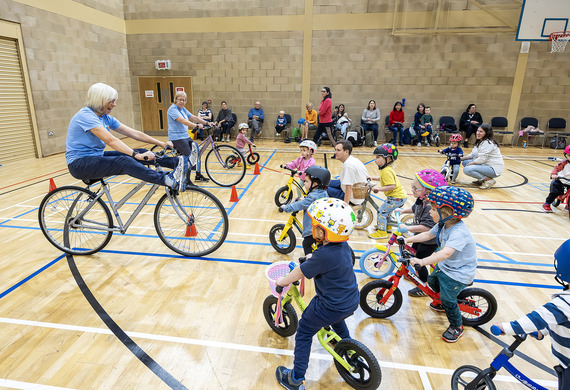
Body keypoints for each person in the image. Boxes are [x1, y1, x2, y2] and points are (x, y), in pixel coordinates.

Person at [275, 197, 359, 390]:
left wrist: (282, 281)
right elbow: (328, 260)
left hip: (330, 305)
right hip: (351, 299)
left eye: (317, 225)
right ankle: (348, 348)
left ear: (326, 231)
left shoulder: (323, 255)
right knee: (338, 319)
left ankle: (296, 379)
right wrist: (314, 256)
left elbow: (299, 272)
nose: (314, 228)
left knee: (304, 331)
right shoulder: (343, 247)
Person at [66, 83, 189, 192]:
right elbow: (111, 140)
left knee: (141, 151)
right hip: (79, 164)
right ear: (100, 100)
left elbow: (133, 133)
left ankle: (181, 164)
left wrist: (160, 143)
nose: (114, 105)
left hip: (95, 157)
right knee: (126, 161)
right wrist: (134, 155)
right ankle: (167, 179)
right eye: (112, 101)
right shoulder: (85, 116)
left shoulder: (105, 117)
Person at [492, 239, 570, 390]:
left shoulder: (564, 303)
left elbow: (537, 318)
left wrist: (507, 327)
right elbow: (561, 320)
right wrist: (543, 331)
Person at [404, 186, 477, 343]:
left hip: (458, 273)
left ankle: (457, 326)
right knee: (432, 283)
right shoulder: (443, 224)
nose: (430, 212)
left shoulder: (459, 232)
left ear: (447, 213)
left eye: (434, 209)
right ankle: (441, 302)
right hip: (446, 267)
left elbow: (445, 253)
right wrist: (407, 239)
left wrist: (422, 261)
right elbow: (427, 234)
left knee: (448, 299)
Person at [395, 169, 447, 297]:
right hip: (420, 238)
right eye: (412, 187)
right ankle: (416, 274)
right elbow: (414, 209)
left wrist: (407, 228)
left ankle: (424, 285)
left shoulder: (430, 206)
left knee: (420, 260)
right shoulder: (421, 200)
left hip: (429, 241)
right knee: (412, 252)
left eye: (416, 188)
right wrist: (403, 211)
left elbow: (426, 227)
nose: (412, 190)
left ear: (427, 192)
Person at [278, 166, 331, 255]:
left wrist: (286, 208)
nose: (304, 183)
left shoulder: (312, 197)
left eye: (306, 181)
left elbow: (300, 205)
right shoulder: (323, 192)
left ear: (314, 184)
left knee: (306, 244)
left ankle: (309, 262)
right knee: (320, 245)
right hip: (323, 225)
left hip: (314, 229)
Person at [167, 91, 211, 182]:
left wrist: (207, 122)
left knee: (196, 152)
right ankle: (186, 181)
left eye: (184, 100)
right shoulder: (173, 109)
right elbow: (183, 120)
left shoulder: (183, 109)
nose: (182, 102)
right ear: (175, 100)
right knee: (189, 156)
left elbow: (194, 117)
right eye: (180, 100)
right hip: (177, 137)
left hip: (185, 136)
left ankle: (198, 175)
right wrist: (195, 126)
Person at [368, 144, 407, 239]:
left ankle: (382, 232)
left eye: (378, 157)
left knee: (382, 212)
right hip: (396, 197)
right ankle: (387, 226)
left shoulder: (386, 171)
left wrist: (378, 189)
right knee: (386, 210)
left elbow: (391, 186)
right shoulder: (386, 169)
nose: (375, 159)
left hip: (396, 197)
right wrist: (372, 177)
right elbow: (382, 178)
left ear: (388, 159)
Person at [461, 124, 504, 189]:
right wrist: (460, 158)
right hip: (485, 165)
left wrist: (470, 164)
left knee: (467, 169)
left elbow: (481, 159)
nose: (478, 133)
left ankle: (488, 180)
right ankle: (481, 180)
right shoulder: (480, 141)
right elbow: (472, 155)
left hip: (493, 168)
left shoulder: (488, 143)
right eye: (478, 131)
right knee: (465, 162)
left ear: (486, 133)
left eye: (481, 132)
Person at [327, 140, 369, 205]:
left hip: (353, 197)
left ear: (346, 152)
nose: (335, 152)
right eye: (335, 150)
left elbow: (348, 188)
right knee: (325, 182)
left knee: (322, 189)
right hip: (357, 189)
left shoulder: (348, 165)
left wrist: (345, 205)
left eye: (338, 150)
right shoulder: (352, 160)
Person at [542, 145, 570, 212]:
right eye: (569, 155)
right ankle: (547, 204)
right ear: (566, 155)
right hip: (561, 180)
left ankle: (568, 205)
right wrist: (554, 174)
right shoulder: (564, 163)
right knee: (555, 192)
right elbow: (556, 169)